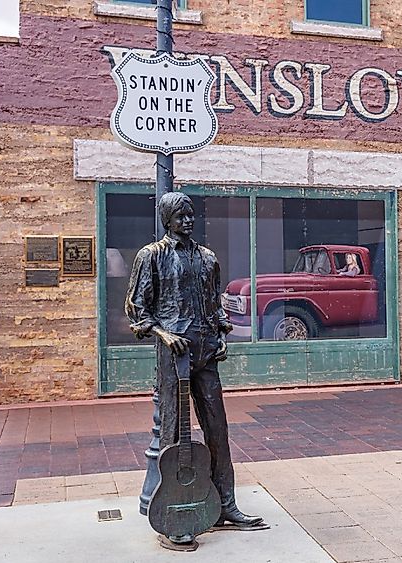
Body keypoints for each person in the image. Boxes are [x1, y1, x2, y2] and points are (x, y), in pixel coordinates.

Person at [126, 192, 265, 548]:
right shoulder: (151, 256)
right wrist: (163, 334)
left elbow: (215, 302)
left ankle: (226, 505)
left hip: (205, 353)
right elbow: (137, 309)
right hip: (174, 356)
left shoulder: (207, 258)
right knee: (174, 433)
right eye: (181, 216)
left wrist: (221, 333)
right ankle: (175, 516)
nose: (188, 221)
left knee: (217, 429)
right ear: (167, 220)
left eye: (191, 215)